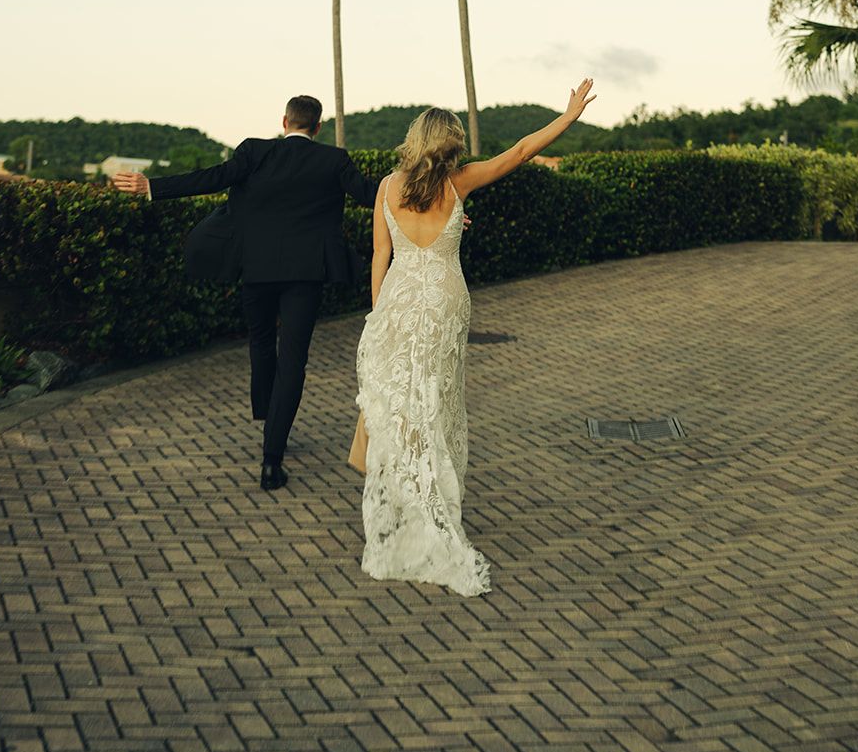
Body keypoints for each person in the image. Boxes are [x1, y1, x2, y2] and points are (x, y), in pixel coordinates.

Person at [356, 79, 595, 596]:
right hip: (443, 302)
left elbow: (380, 255)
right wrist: (567, 116)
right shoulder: (457, 184)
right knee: (437, 404)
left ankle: (406, 504)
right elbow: (522, 150)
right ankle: (431, 509)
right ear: (451, 145)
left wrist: (378, 315)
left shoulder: (387, 187)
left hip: (398, 300)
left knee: (402, 404)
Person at [114, 95, 377, 491]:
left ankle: (268, 418)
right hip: (306, 275)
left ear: (285, 121)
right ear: (318, 127)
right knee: (293, 360)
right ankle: (273, 456)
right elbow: (375, 196)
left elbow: (213, 178)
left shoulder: (254, 151)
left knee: (260, 342)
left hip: (257, 269)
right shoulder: (334, 160)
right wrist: (438, 211)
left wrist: (152, 187)